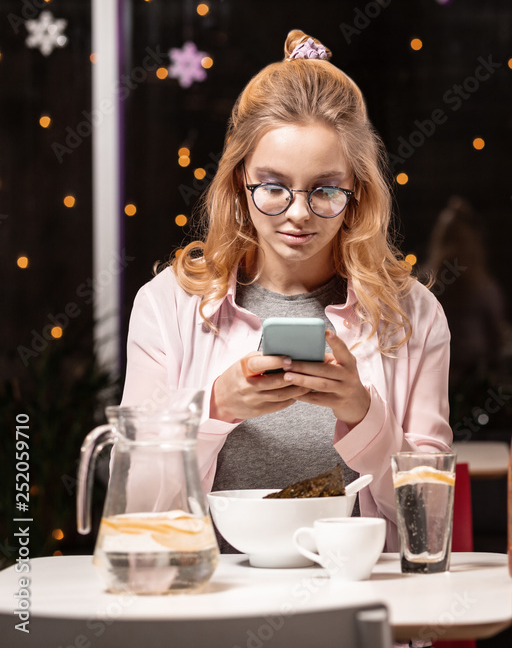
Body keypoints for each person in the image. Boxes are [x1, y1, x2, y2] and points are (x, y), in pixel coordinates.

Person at [121, 30, 452, 550]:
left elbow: (430, 527)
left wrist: (365, 417)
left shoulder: (412, 314)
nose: (298, 213)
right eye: (273, 186)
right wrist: (213, 411)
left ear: (357, 193)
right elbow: (138, 512)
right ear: (239, 184)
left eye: (325, 190)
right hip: (210, 612)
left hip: (358, 606)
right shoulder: (168, 306)